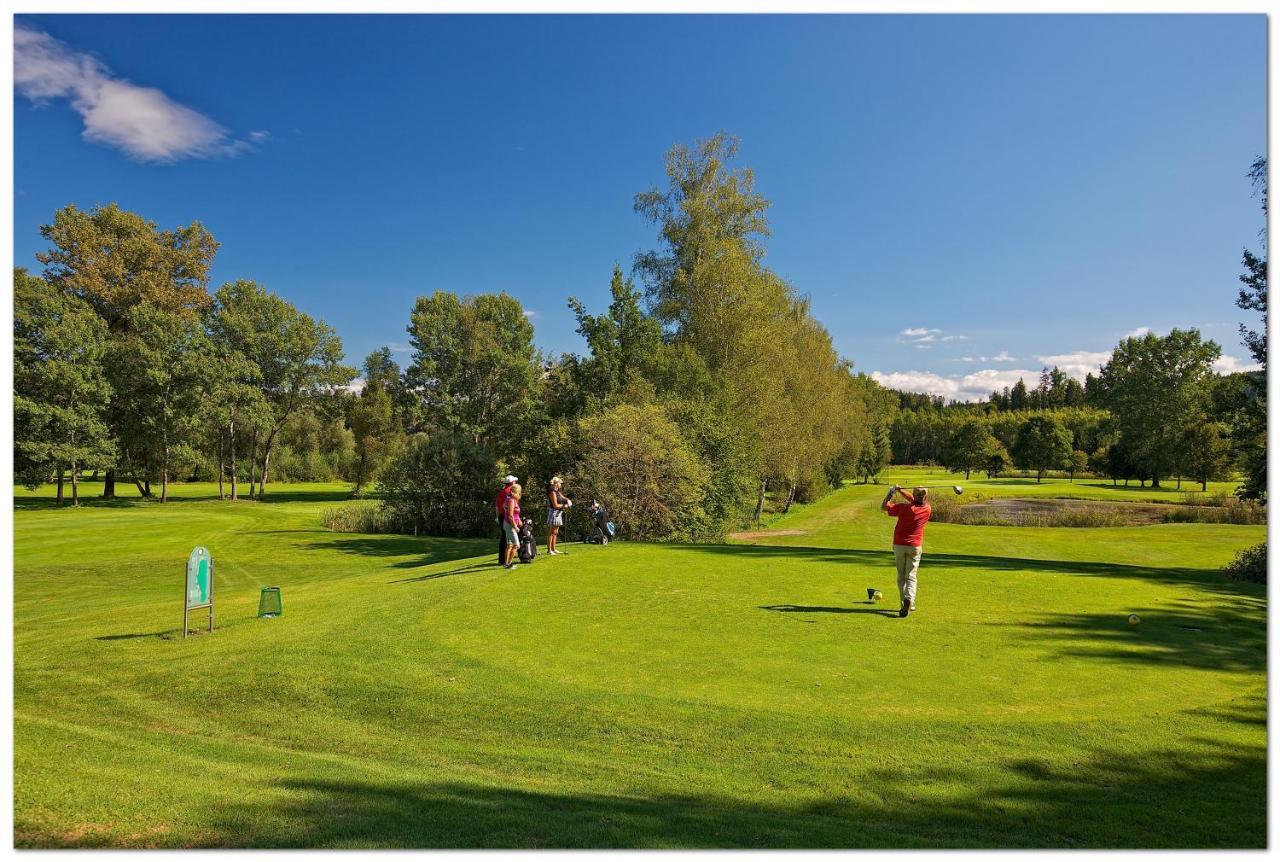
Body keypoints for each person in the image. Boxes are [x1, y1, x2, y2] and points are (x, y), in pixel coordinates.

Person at [881, 485, 931, 618]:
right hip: (915, 546)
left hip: (899, 545)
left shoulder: (904, 508)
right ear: (925, 497)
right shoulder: (927, 508)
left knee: (901, 576)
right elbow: (914, 499)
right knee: (911, 577)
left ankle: (904, 602)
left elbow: (884, 506)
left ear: (914, 496)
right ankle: (909, 601)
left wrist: (891, 493)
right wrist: (901, 490)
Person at [494, 475, 517, 565]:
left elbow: (497, 506)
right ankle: (506, 560)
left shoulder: (501, 493)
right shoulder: (512, 492)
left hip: (501, 515)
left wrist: (497, 517)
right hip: (508, 516)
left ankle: (502, 559)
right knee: (510, 539)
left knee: (504, 538)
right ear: (512, 483)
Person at [546, 476, 572, 555]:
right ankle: (549, 550)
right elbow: (555, 505)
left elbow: (563, 497)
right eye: (560, 483)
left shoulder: (557, 491)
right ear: (556, 484)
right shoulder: (552, 492)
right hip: (554, 512)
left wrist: (568, 500)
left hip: (558, 513)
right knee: (551, 532)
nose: (561, 484)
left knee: (556, 532)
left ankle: (554, 549)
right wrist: (564, 505)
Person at [503, 483, 524, 570]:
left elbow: (515, 513)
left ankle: (506, 564)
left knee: (510, 544)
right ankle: (509, 564)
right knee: (517, 545)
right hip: (510, 525)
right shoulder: (511, 500)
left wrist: (518, 520)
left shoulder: (514, 500)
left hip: (509, 524)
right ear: (513, 493)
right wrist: (515, 526)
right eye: (518, 493)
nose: (519, 494)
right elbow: (510, 516)